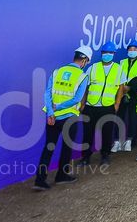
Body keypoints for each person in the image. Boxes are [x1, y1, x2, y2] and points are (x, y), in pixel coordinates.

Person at [33, 44, 91, 190]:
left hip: (52, 118)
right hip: (69, 118)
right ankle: (61, 176)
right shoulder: (83, 76)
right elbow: (77, 99)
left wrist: (51, 112)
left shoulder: (57, 72)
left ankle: (40, 180)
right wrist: (58, 107)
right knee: (67, 148)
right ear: (84, 61)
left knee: (48, 147)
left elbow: (47, 93)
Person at [82, 41, 123, 166]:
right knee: (88, 133)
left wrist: (117, 104)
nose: (107, 55)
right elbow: (85, 87)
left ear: (114, 54)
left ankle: (105, 156)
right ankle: (85, 157)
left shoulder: (118, 69)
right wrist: (83, 103)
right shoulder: (93, 67)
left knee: (107, 133)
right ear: (101, 53)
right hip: (90, 106)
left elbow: (121, 88)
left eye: (110, 52)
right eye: (105, 52)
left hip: (108, 106)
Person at [115, 38, 137, 153]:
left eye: (134, 49)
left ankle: (130, 140)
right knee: (119, 117)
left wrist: (130, 87)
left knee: (133, 118)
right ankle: (117, 141)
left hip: (134, 94)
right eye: (130, 49)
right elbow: (118, 76)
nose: (132, 51)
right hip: (121, 93)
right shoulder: (122, 62)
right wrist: (122, 88)